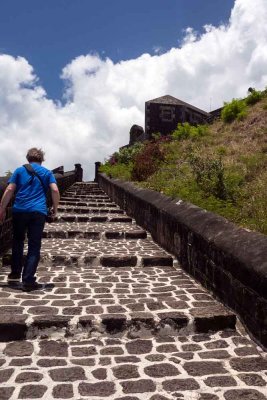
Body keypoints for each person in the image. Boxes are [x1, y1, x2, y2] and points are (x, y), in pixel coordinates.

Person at [0, 148, 60, 291]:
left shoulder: (19, 171)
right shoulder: (47, 173)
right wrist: (55, 209)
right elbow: (55, 190)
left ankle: (15, 273)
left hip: (19, 210)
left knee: (18, 241)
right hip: (38, 212)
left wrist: (2, 208)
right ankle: (28, 280)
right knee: (34, 245)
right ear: (41, 159)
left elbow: (9, 190)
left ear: (28, 158)